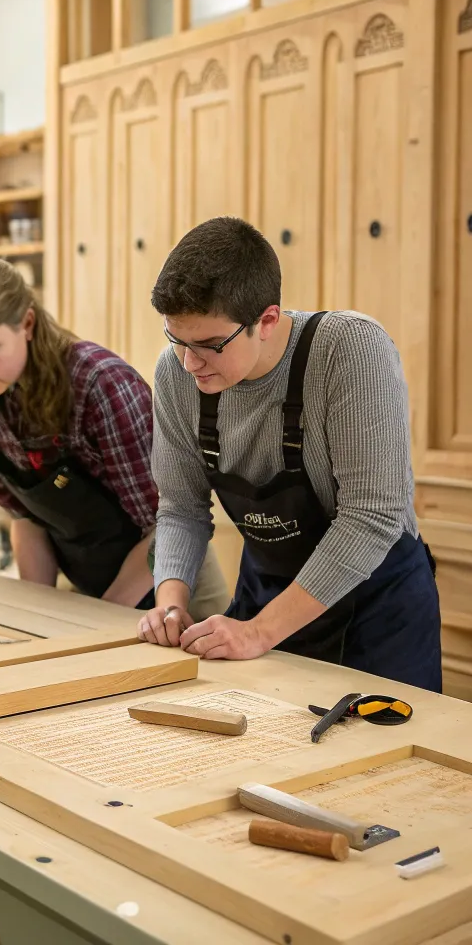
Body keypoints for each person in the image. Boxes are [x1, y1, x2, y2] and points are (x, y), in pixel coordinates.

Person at [137, 216, 441, 692]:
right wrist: (170, 601)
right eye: (175, 339)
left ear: (268, 319)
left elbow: (371, 515)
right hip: (267, 596)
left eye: (209, 345)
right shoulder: (178, 374)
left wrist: (260, 631)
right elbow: (181, 506)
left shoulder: (349, 350)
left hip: (376, 609)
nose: (188, 362)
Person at [0, 255, 227, 615]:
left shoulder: (100, 384)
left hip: (173, 581)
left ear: (27, 323)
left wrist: (100, 619)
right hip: (91, 586)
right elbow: (27, 520)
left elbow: (165, 524)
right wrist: (37, 617)